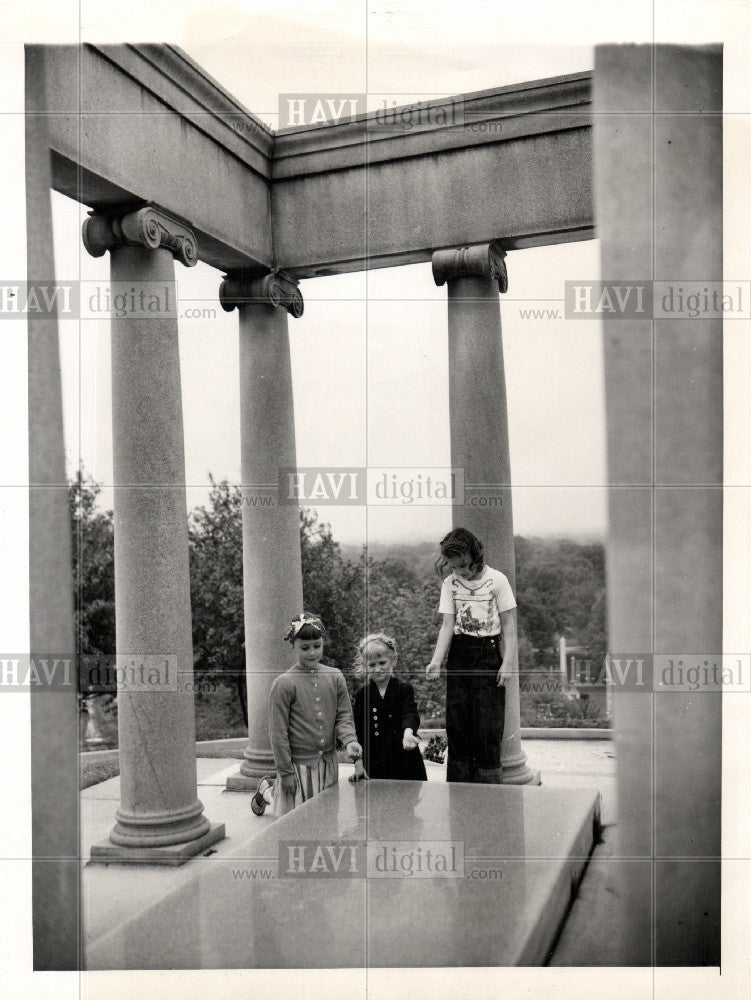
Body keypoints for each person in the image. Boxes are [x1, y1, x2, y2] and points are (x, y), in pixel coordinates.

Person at [426, 527, 517, 783]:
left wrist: (507, 662)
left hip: (488, 655)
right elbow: (447, 625)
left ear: (475, 556)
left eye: (464, 566)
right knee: (458, 723)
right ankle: (459, 786)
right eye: (454, 568)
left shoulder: (497, 580)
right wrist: (436, 660)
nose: (460, 573)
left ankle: (489, 788)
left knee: (487, 725)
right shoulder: (450, 584)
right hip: (459, 655)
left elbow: (509, 625)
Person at [251, 613, 362, 817]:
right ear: (293, 645)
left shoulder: (335, 676)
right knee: (296, 819)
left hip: (328, 765)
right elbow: (278, 732)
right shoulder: (284, 683)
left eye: (317, 646)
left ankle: (267, 791)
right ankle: (267, 792)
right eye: (305, 648)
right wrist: (285, 772)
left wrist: (350, 741)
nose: (312, 653)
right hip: (297, 766)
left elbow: (344, 715)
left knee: (325, 819)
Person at [352, 633, 427, 781]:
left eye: (382, 662)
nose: (378, 669)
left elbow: (410, 713)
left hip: (406, 761)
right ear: (364, 667)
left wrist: (408, 734)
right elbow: (358, 732)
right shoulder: (362, 695)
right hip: (374, 763)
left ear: (393, 660)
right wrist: (358, 765)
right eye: (372, 665)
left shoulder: (404, 689)